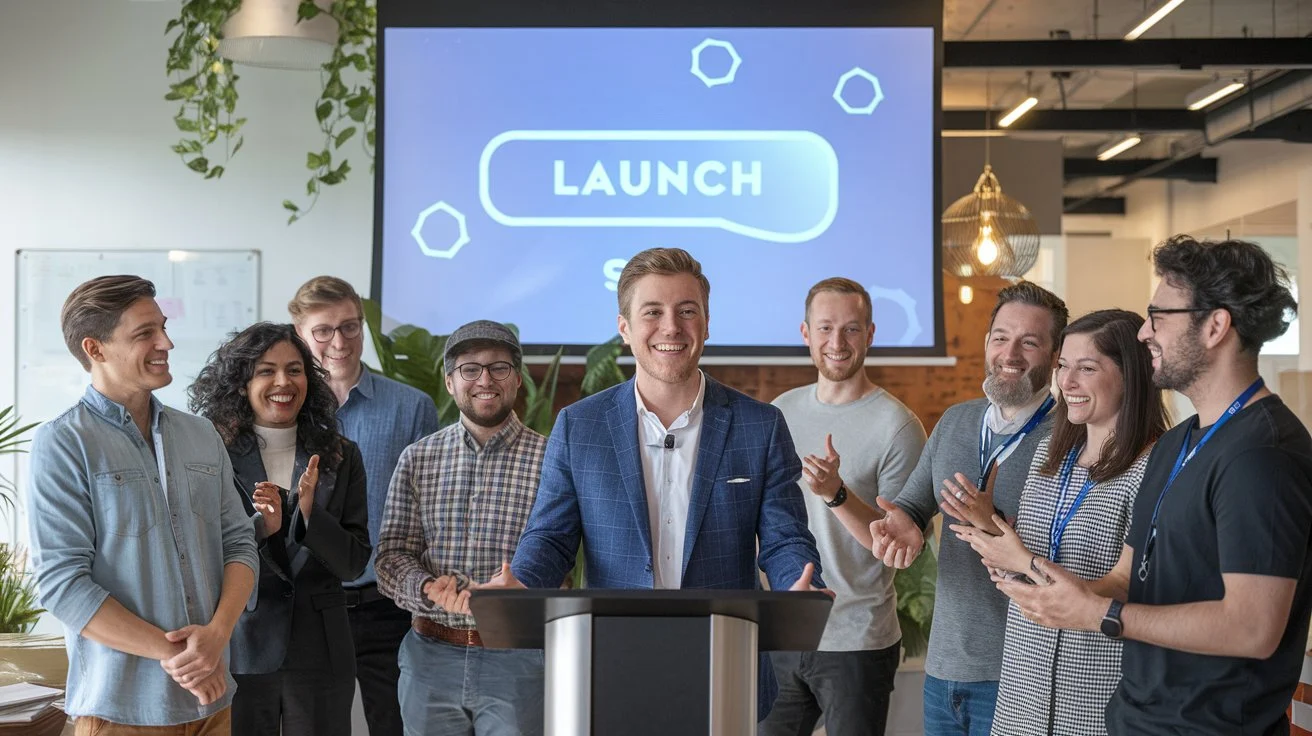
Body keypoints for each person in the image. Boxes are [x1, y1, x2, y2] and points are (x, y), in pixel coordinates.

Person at [482, 247, 826, 722]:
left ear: (707, 323)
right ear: (624, 328)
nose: (671, 327)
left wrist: (797, 585)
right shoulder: (579, 426)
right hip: (608, 666)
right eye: (653, 312)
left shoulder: (760, 426)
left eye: (688, 311)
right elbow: (551, 537)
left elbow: (785, 537)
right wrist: (519, 585)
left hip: (724, 667)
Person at [996, 236, 1312, 735]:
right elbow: (1127, 578)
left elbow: (1253, 629)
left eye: (1159, 317)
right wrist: (1057, 594)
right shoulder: (1179, 443)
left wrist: (1102, 614)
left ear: (1215, 326)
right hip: (1138, 718)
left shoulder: (1262, 455)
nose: (1144, 333)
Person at [26, 275, 257, 734]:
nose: (166, 342)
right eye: (144, 333)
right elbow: (62, 584)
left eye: (163, 326)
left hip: (213, 704)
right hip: (122, 712)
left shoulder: (200, 434)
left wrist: (216, 637)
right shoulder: (64, 443)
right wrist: (177, 654)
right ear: (95, 349)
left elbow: (239, 542)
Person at [949, 309, 1168, 735]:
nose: (1066, 383)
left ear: (1131, 375)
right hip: (1022, 688)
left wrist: (1022, 559)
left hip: (1097, 690)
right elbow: (1029, 558)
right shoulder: (1051, 453)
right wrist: (993, 537)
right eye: (1064, 366)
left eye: (1086, 368)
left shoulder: (1153, 466)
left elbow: (1131, 588)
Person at [869, 280, 1068, 736]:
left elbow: (1073, 558)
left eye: (1030, 342)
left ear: (1056, 355)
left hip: (1023, 671)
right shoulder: (957, 420)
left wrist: (993, 525)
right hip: (944, 669)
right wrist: (901, 525)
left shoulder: (1070, 437)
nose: (1010, 353)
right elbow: (913, 506)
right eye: (1001, 337)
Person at [760, 277, 926, 736]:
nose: (837, 342)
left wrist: (837, 493)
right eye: (826, 328)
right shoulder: (781, 412)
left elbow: (892, 544)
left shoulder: (898, 426)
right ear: (805, 333)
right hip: (786, 631)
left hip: (856, 638)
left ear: (870, 334)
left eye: (851, 329)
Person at [188, 322, 372, 736]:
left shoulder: (342, 455)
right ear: (241, 383)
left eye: (294, 370)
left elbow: (355, 563)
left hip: (322, 651)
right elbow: (197, 553)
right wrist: (260, 528)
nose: (283, 382)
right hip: (240, 644)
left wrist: (310, 516)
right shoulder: (208, 453)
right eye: (266, 371)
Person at [376, 320, 547, 736]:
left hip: (519, 660)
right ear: (450, 382)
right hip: (429, 657)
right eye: (470, 369)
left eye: (499, 368)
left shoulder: (552, 459)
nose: (484, 379)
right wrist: (425, 588)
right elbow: (390, 556)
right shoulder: (418, 459)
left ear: (517, 380)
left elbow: (565, 554)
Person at [289, 276, 439, 736]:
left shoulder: (411, 407)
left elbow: (426, 514)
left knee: (396, 726)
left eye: (351, 327)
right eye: (323, 331)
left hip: (385, 603)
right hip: (305, 604)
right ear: (299, 334)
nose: (340, 342)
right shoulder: (282, 406)